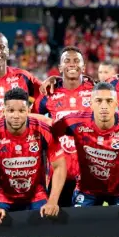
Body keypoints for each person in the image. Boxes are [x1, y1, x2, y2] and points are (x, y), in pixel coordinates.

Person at [52, 82, 119, 215]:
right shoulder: (73, 121)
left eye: (109, 101)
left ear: (116, 103)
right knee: (78, 227)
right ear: (91, 103)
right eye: (99, 101)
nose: (104, 106)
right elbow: (47, 132)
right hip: (87, 190)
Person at [0, 88, 66, 224]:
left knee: (46, 230)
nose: (16, 116)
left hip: (36, 195)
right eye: (11, 111)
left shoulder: (43, 130)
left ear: (28, 111)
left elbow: (59, 166)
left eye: (21, 111)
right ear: (3, 111)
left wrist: (53, 201)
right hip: (3, 196)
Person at [34, 47, 94, 207]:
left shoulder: (96, 92)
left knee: (86, 223)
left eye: (76, 61)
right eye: (67, 61)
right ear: (60, 67)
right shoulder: (48, 94)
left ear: (83, 66)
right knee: (57, 225)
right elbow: (32, 122)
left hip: (89, 172)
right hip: (59, 172)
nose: (72, 64)